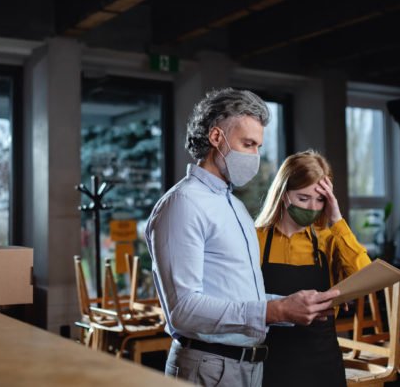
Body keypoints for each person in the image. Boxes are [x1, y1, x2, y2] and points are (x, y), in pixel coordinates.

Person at [145, 88, 341, 387]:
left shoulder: (235, 207)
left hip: (248, 366)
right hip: (208, 366)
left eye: (258, 146)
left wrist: (292, 305)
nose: (255, 157)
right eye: (247, 144)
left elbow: (242, 299)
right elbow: (183, 310)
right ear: (215, 138)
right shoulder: (184, 203)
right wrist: (273, 310)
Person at [255, 150, 372, 387]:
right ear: (284, 194)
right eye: (303, 198)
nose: (312, 207)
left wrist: (336, 219)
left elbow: (365, 276)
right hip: (272, 361)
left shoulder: (328, 239)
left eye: (320, 199)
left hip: (322, 361)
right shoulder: (255, 238)